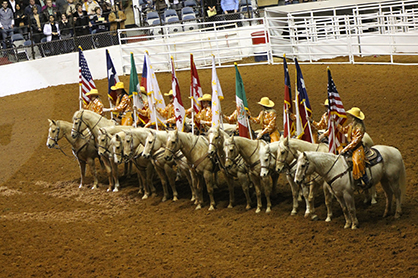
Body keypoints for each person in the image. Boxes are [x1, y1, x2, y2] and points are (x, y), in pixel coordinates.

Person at [337, 107, 370, 189]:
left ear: (355, 118)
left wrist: (345, 149)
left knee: (357, 161)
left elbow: (355, 142)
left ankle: (365, 180)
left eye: (352, 116)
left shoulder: (360, 128)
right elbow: (344, 130)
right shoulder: (351, 125)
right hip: (350, 146)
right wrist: (336, 124)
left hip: (357, 148)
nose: (351, 118)